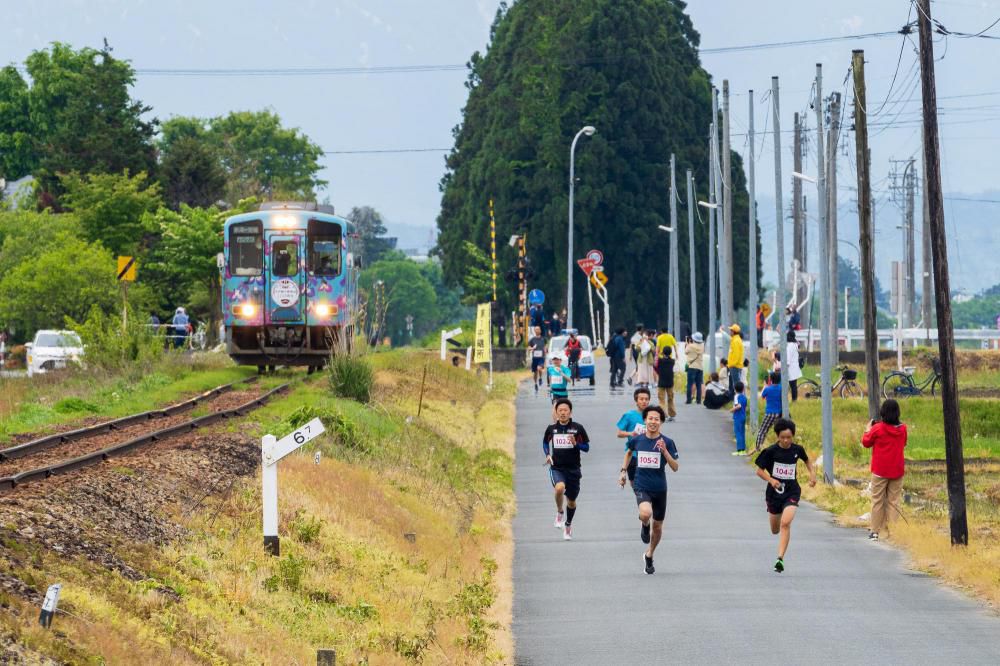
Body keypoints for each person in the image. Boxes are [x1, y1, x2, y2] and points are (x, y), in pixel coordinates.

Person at [618, 405, 679, 575]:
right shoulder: (637, 439)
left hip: (660, 488)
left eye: (656, 419)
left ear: (661, 422)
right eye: (650, 418)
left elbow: (675, 467)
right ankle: (644, 524)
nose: (653, 421)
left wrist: (665, 451)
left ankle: (649, 554)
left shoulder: (667, 442)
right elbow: (629, 452)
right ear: (645, 420)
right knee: (645, 513)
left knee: (658, 527)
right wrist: (623, 471)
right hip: (641, 484)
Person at [755, 418, 816, 573]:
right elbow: (759, 471)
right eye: (782, 437)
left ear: (793, 436)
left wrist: (812, 475)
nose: (786, 440)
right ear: (777, 436)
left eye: (789, 437)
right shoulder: (770, 452)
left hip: (792, 491)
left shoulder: (797, 450)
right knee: (775, 530)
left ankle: (780, 559)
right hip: (774, 494)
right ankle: (778, 513)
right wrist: (771, 480)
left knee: (786, 523)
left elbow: (808, 461)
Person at [542, 399, 590, 541]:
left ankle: (568, 525)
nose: (563, 413)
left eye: (565, 410)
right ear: (556, 413)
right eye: (560, 410)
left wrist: (576, 444)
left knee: (571, 501)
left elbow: (587, 448)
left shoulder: (578, 428)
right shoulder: (552, 429)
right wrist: (548, 454)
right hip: (557, 468)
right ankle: (559, 512)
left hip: (574, 470)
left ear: (570, 412)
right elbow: (545, 442)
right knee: (559, 488)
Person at [861, 399, 907, 541]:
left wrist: (867, 429)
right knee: (893, 501)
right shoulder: (903, 428)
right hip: (897, 470)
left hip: (880, 470)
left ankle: (875, 531)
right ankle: (891, 532)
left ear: (883, 412)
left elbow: (866, 442)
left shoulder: (878, 428)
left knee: (877, 500)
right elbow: (904, 443)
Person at [616, 387, 651, 488]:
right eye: (641, 399)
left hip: (648, 455)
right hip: (633, 455)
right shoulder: (629, 415)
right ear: (636, 400)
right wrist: (631, 434)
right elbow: (619, 433)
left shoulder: (652, 416)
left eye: (646, 399)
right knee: (635, 486)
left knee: (647, 486)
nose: (644, 401)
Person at [756, 372, 784, 452]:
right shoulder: (781, 388)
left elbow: (762, 396)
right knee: (780, 431)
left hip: (769, 412)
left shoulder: (768, 389)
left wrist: (765, 386)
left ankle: (758, 448)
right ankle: (781, 448)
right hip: (779, 413)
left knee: (762, 430)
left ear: (770, 379)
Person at [654, 346, 677, 421]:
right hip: (670, 382)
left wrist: (659, 354)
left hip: (661, 382)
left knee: (661, 400)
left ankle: (664, 414)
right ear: (670, 353)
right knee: (670, 399)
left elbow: (655, 365)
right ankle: (672, 414)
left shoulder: (660, 361)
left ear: (663, 352)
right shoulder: (672, 361)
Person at [684, 332, 704, 405]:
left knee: (690, 384)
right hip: (700, 367)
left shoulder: (690, 346)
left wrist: (687, 344)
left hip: (692, 367)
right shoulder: (702, 346)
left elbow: (686, 352)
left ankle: (689, 400)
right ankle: (698, 400)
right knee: (699, 384)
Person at [730, 381, 748, 455]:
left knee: (738, 433)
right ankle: (743, 450)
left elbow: (739, 406)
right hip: (743, 416)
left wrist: (732, 409)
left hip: (738, 417)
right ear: (743, 389)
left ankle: (739, 450)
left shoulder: (736, 396)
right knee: (742, 433)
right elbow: (744, 407)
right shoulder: (744, 397)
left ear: (735, 389)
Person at [726, 324, 744, 399]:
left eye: (731, 330)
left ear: (733, 332)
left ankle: (738, 400)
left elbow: (736, 355)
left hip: (734, 366)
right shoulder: (735, 339)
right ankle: (734, 398)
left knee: (736, 384)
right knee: (735, 383)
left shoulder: (736, 341)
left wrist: (732, 364)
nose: (730, 331)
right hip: (735, 365)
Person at [528, 326, 547, 391]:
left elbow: (545, 347)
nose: (537, 331)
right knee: (535, 372)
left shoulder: (543, 339)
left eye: (538, 329)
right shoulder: (532, 339)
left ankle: (540, 378)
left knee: (539, 368)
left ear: (540, 331)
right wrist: (532, 348)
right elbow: (528, 348)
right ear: (534, 331)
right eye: (536, 329)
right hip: (535, 358)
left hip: (541, 357)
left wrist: (545, 352)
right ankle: (535, 383)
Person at [785, 330, 802, 402]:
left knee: (791, 385)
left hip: (790, 368)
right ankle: (794, 400)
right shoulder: (795, 344)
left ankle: (793, 400)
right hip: (795, 367)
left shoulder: (789, 346)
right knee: (794, 385)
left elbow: (788, 359)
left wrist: (785, 367)